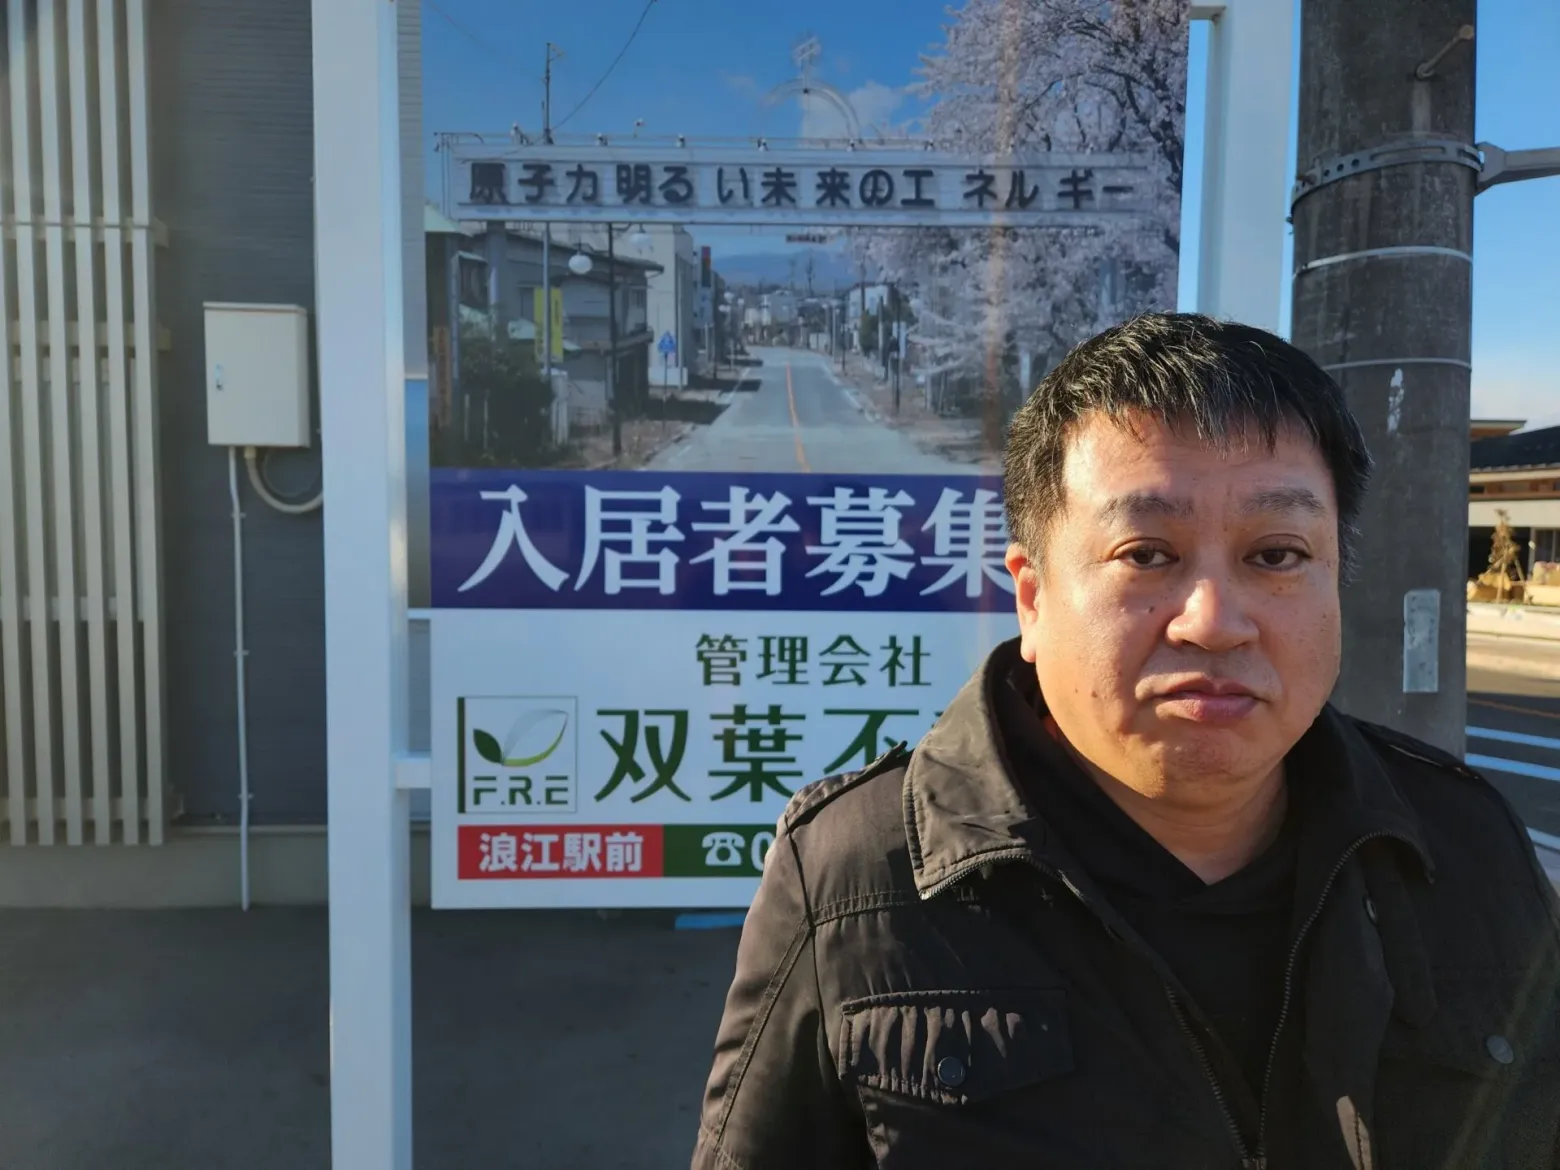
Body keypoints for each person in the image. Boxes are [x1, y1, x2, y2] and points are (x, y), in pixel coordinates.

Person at [690, 313, 1560, 1170]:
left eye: (1278, 554)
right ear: (1032, 599)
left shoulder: (1462, 839)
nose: (1216, 622)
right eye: (1146, 554)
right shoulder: (854, 873)